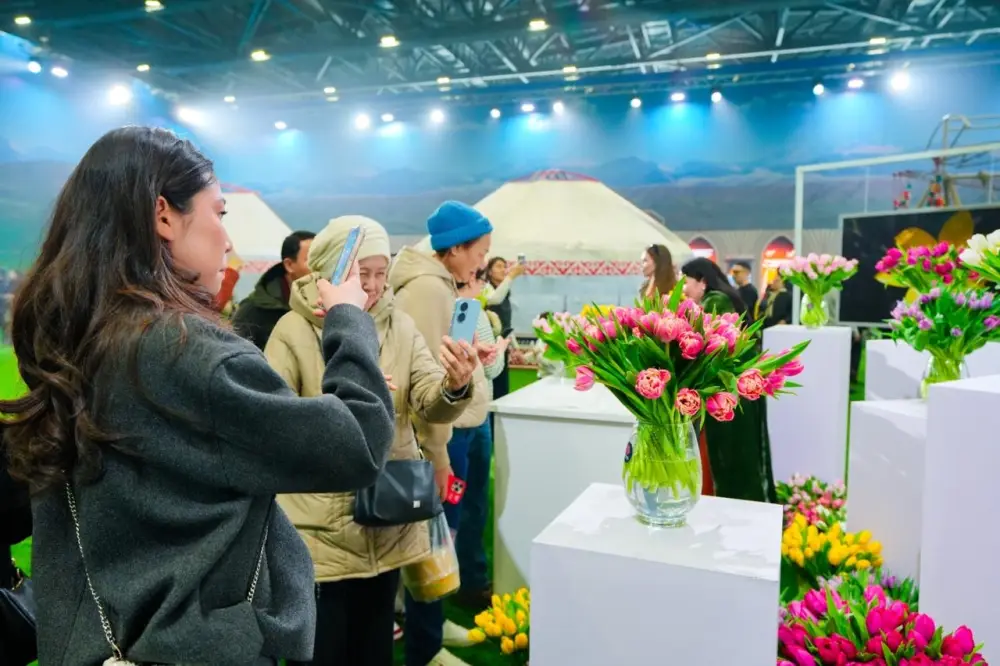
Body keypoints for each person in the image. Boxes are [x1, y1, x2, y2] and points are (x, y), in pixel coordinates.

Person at [0, 127, 396, 666]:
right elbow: (358, 443)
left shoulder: (70, 339)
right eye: (220, 213)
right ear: (163, 215)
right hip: (199, 648)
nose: (228, 241)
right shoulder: (187, 352)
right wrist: (351, 320)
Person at [265, 215, 478, 666]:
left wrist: (455, 386)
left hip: (387, 518)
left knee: (375, 646)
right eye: (362, 275)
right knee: (324, 651)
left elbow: (428, 398)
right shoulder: (293, 330)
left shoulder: (399, 326)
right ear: (329, 272)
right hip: (320, 533)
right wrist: (344, 395)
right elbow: (272, 422)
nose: (374, 286)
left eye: (382, 274)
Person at [389, 200, 495, 666]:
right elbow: (429, 382)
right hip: (434, 439)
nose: (482, 263)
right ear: (453, 249)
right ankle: (425, 646)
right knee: (432, 538)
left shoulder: (436, 285)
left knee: (439, 536)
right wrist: (438, 455)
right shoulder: (429, 290)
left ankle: (430, 629)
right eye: (479, 252)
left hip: (446, 433)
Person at [681, 257, 777, 504]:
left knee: (728, 458)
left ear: (702, 282)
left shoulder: (715, 302)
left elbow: (714, 349)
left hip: (727, 391)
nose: (684, 288)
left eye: (687, 281)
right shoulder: (719, 299)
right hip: (733, 389)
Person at [450, 278, 506, 612]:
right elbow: (495, 366)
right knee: (462, 506)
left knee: (463, 506)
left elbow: (492, 366)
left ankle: (462, 580)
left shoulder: (453, 308)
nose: (479, 284)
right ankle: (462, 581)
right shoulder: (471, 312)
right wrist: (498, 348)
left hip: (470, 418)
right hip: (459, 423)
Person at [232, 230, 315, 349]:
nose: (319, 265)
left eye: (321, 258)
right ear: (289, 265)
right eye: (311, 259)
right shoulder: (253, 310)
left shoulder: (326, 303)